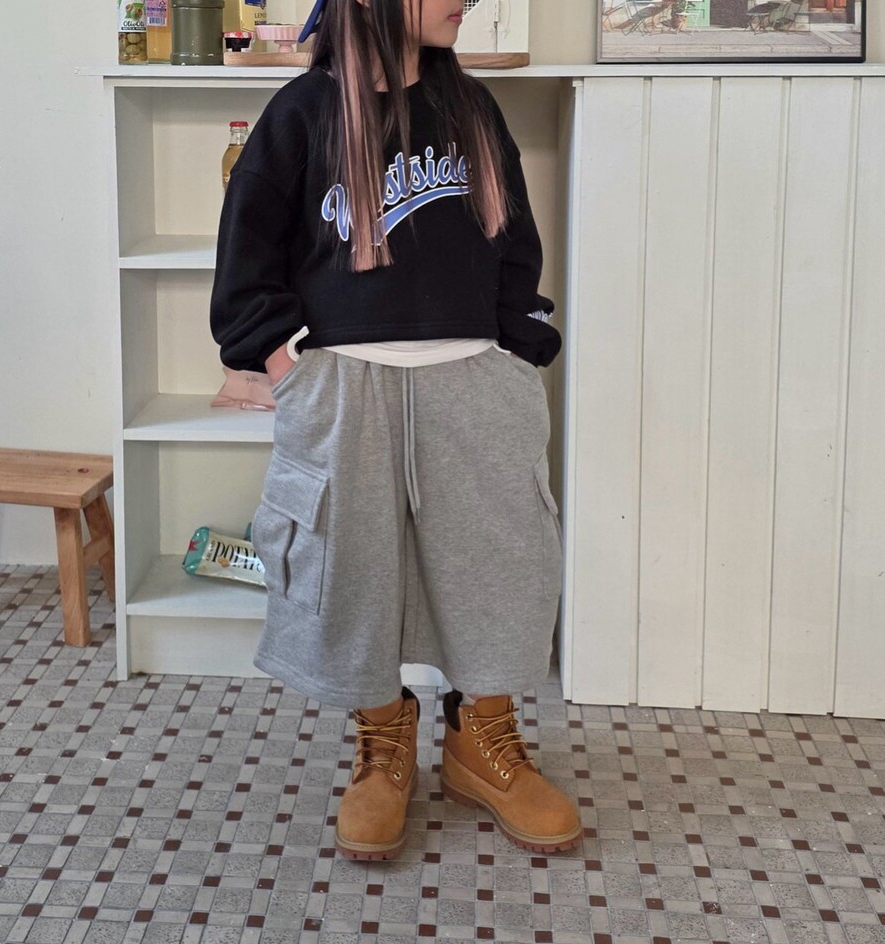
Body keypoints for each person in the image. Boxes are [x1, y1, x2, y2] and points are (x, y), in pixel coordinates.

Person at [210, 0, 582, 861]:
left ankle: (481, 741)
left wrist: (517, 350)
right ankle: (384, 742)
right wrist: (286, 367)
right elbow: (246, 259)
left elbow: (514, 243)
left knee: (500, 566)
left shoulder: (470, 108)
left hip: (473, 376)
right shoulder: (302, 115)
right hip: (347, 385)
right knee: (353, 571)